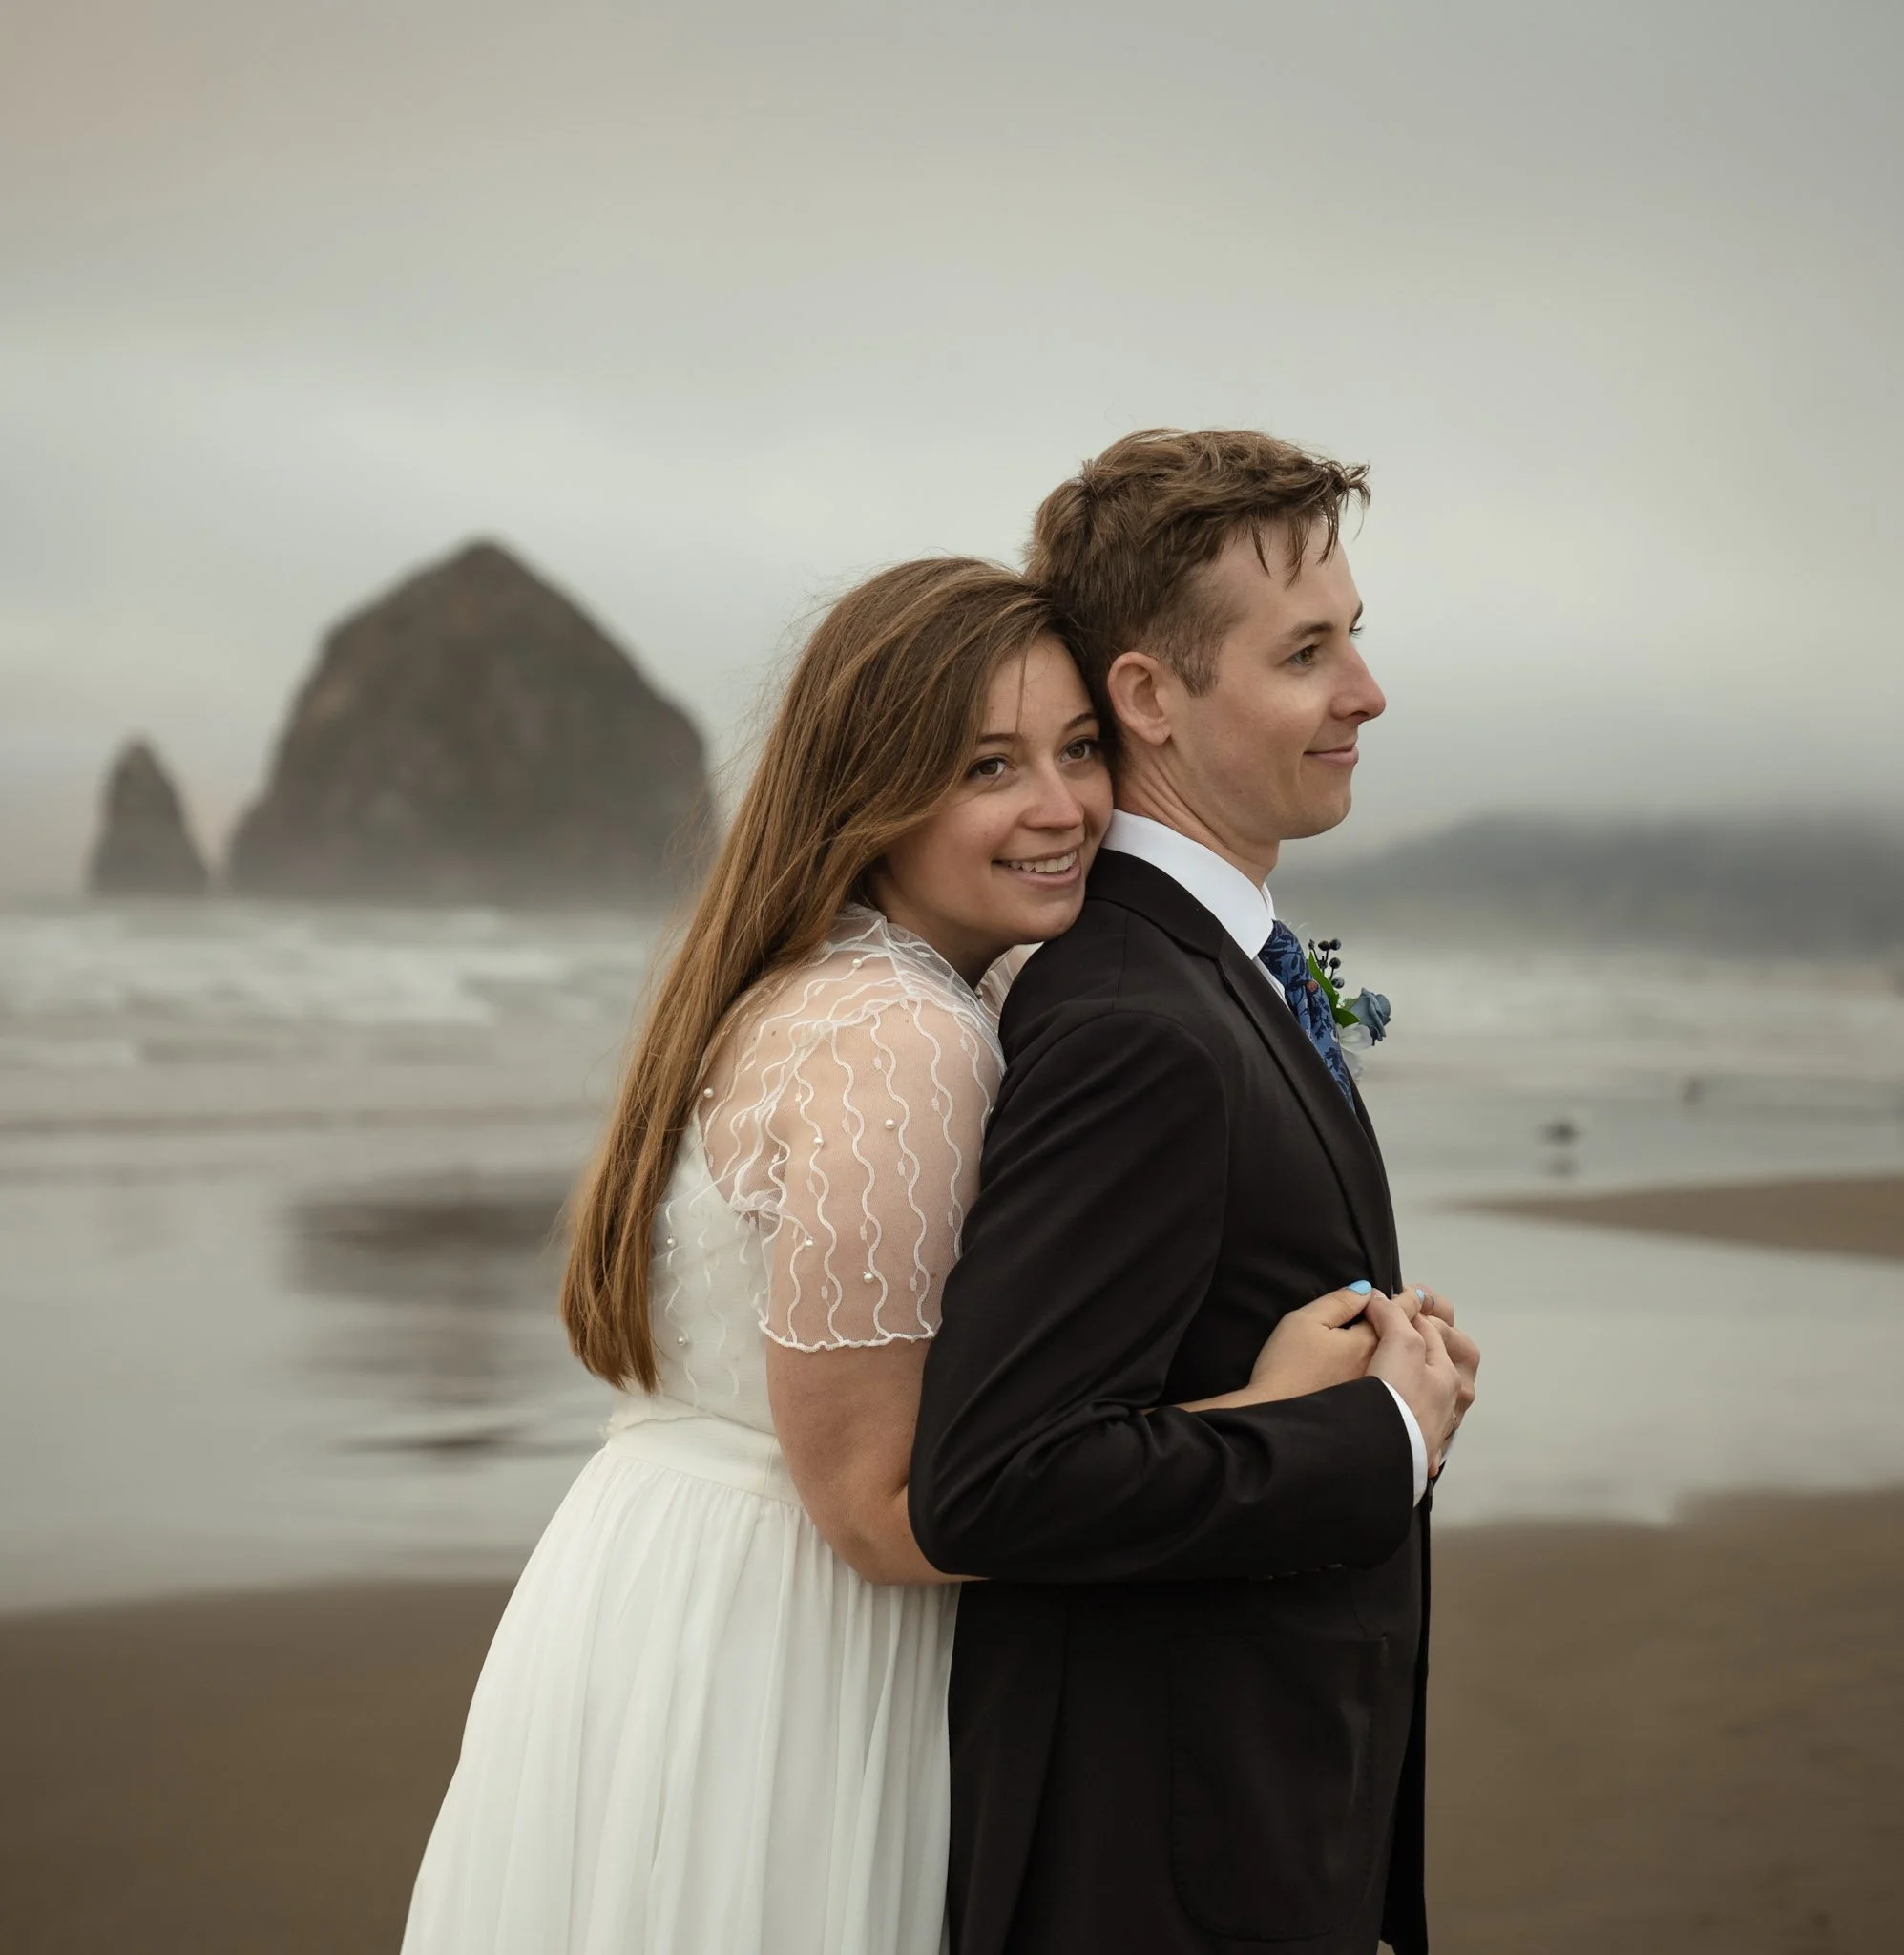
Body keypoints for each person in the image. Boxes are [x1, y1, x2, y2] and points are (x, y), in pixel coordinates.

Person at [909, 430, 1481, 1955]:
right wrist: (1378, 1435)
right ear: (1151, 695)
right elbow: (997, 1479)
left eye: (1352, 636)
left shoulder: (1211, 972)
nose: (1365, 691)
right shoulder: (1133, 1024)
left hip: (1256, 1802)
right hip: (1168, 1859)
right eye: (1305, 653)